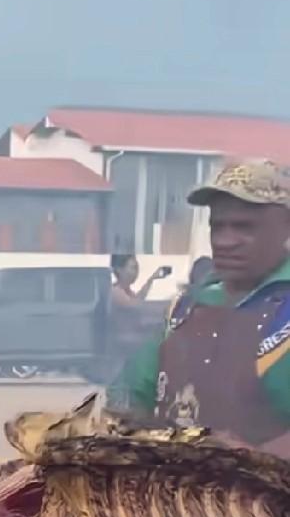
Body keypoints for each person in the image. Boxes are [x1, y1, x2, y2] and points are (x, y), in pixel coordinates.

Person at [112, 160, 290, 454]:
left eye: (244, 227)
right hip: (177, 491)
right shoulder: (186, 308)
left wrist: (251, 461)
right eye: (217, 227)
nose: (224, 241)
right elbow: (130, 394)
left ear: (285, 227)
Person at [108, 253, 172, 360]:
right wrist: (163, 307)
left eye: (137, 268)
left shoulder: (127, 291)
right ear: (119, 270)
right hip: (125, 340)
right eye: (133, 268)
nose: (136, 272)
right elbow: (136, 306)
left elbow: (138, 300)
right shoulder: (115, 292)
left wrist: (152, 279)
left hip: (133, 336)